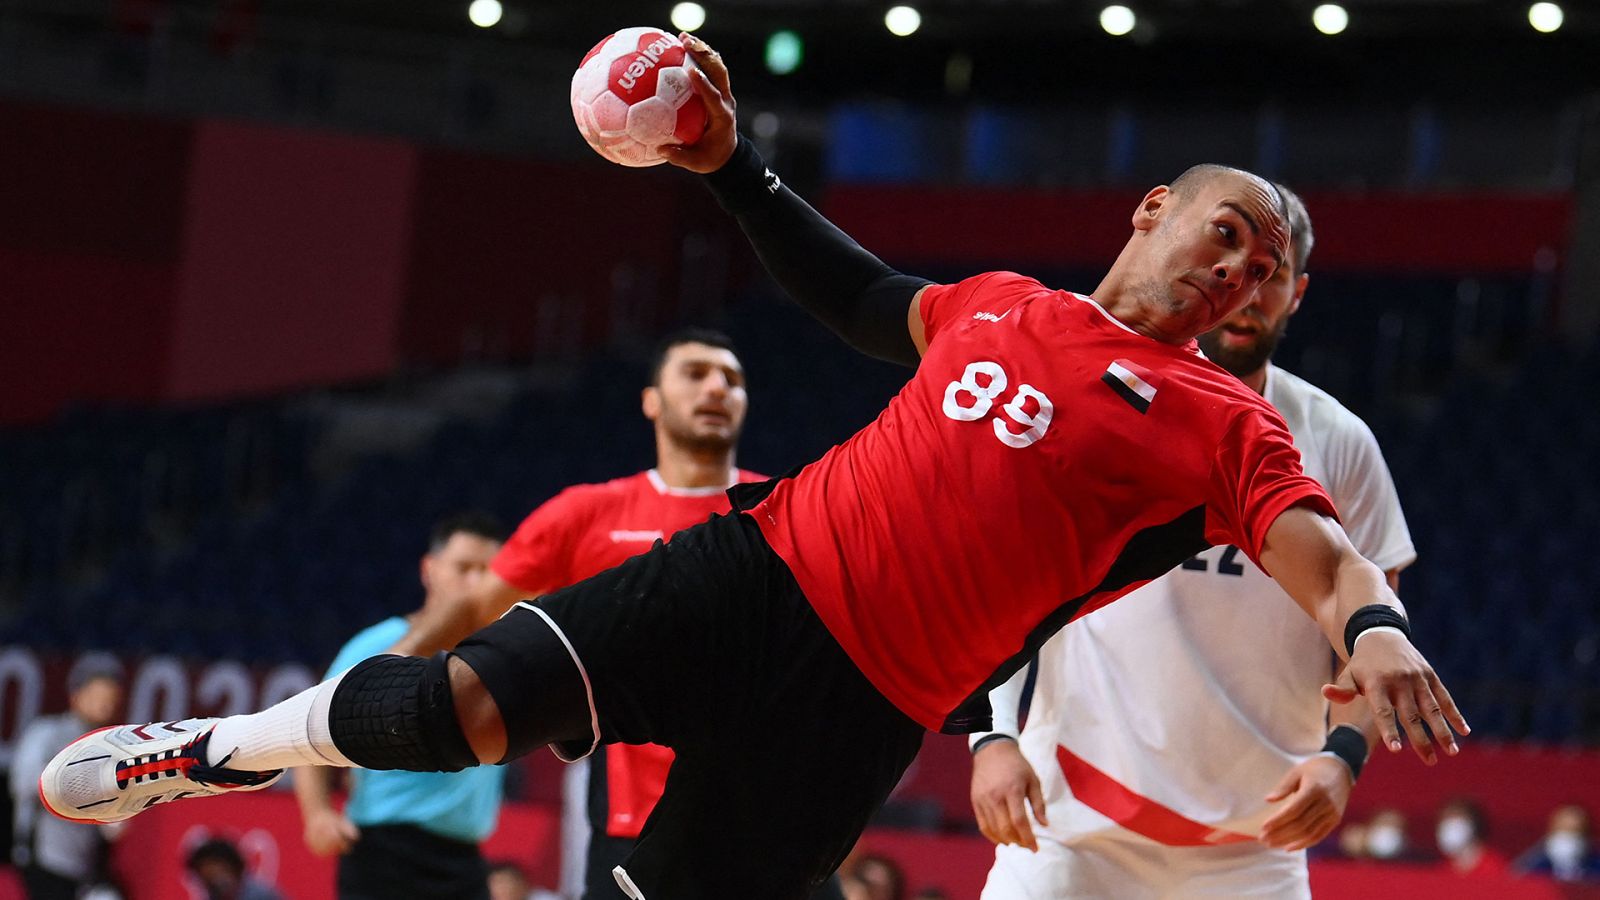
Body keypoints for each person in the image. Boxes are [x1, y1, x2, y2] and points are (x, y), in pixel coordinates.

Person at [39, 34, 1467, 900]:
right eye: (1223, 229)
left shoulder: (1226, 426)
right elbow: (849, 291)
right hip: (752, 576)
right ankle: (208, 755)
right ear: (1153, 212)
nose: (1237, 265)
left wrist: (1378, 635)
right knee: (461, 710)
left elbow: (1324, 554)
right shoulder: (1000, 304)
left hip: (858, 714)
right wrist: (730, 164)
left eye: (1263, 264)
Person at [966, 185, 1408, 898]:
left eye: (1273, 276)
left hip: (1253, 849)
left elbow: (1368, 639)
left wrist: (1344, 755)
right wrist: (992, 737)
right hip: (1069, 821)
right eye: (1237, 265)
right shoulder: (1101, 400)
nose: (1250, 291)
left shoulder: (1339, 440)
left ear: (1296, 294)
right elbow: (1007, 585)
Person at [385, 328, 790, 899]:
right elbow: (475, 607)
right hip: (633, 823)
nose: (718, 388)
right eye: (695, 374)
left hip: (771, 816)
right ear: (651, 400)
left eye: (733, 379)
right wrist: (386, 673)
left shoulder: (786, 510)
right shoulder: (587, 513)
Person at [293, 513, 507, 900]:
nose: (475, 582)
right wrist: (317, 814)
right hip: (384, 853)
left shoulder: (502, 652)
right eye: (463, 568)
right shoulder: (379, 644)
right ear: (430, 570)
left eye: (487, 571)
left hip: (466, 860)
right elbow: (308, 729)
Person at [9, 657, 125, 900]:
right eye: (96, 695)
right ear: (75, 695)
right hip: (41, 860)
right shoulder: (47, 733)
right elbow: (23, 783)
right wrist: (84, 778)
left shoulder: (112, 746)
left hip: (85, 867)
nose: (104, 704)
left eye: (110, 697)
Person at [1515, 804, 1600, 882]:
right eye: (1564, 830)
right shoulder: (1535, 863)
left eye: (1575, 832)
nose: (1568, 839)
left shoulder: (1595, 865)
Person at [185, 837, 283, 900]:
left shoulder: (261, 895)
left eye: (218, 870)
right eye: (206, 876)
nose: (214, 878)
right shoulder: (214, 896)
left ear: (234, 868)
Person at [1434, 797, 1509, 877]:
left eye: (1455, 824)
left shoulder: (1496, 866)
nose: (1449, 831)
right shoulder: (1441, 871)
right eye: (1443, 824)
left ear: (1473, 826)